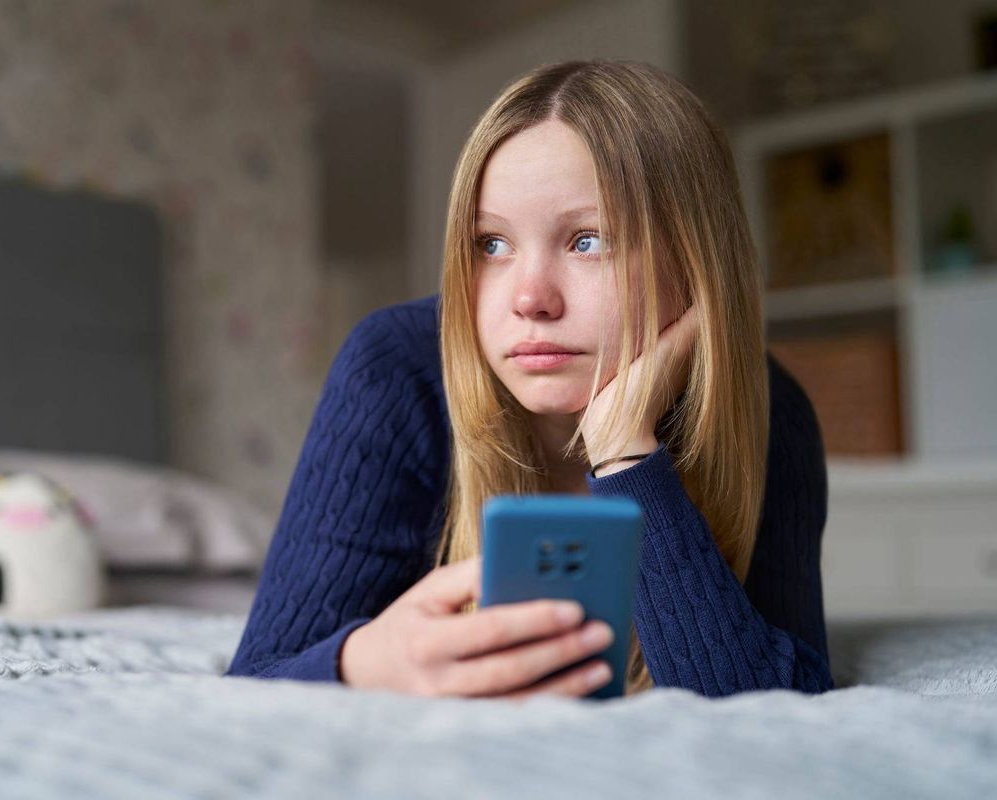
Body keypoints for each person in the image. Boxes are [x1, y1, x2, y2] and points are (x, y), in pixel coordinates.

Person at [224, 59, 834, 700]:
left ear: (696, 260)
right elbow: (255, 682)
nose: (529, 299)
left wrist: (627, 452)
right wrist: (363, 662)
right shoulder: (393, 372)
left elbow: (776, 709)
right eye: (492, 244)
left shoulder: (772, 410)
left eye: (589, 241)